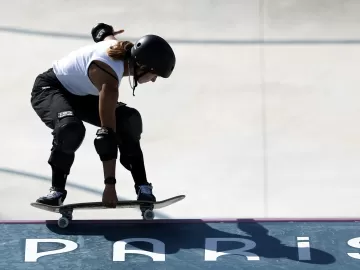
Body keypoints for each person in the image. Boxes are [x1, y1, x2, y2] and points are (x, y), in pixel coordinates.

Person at [30, 23, 176, 208]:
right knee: (70, 128)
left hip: (81, 94)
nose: (154, 80)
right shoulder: (109, 77)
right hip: (50, 88)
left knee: (128, 120)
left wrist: (105, 32)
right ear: (142, 66)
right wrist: (110, 186)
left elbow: (100, 31)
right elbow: (106, 137)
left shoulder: (119, 48)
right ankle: (56, 191)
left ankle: (143, 187)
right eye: (154, 74)